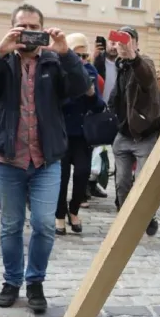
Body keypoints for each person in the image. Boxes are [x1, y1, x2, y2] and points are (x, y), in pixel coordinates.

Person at [0, 5, 88, 313]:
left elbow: (81, 88)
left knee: (44, 224)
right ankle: (11, 281)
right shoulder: (3, 60)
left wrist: (66, 53)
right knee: (11, 226)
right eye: (22, 26)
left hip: (46, 161)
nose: (28, 32)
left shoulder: (54, 60)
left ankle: (35, 281)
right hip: (9, 160)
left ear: (43, 30)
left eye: (34, 26)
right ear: (13, 28)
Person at [109, 26, 160, 236]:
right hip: (124, 135)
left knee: (143, 183)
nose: (122, 45)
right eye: (119, 41)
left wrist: (133, 57)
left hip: (144, 135)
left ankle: (148, 216)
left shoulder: (144, 61)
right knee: (122, 183)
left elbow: (147, 78)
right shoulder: (119, 65)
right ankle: (126, 222)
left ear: (136, 43)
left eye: (127, 40)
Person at [55, 33, 105, 236]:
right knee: (61, 176)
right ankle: (59, 215)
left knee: (83, 173)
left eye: (85, 56)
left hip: (83, 134)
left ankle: (74, 210)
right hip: (61, 132)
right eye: (78, 55)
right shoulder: (58, 70)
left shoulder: (90, 71)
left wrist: (91, 94)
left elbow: (99, 106)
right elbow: (54, 102)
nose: (82, 60)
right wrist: (75, 92)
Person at [93, 35, 119, 104]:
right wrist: (94, 59)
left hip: (113, 107)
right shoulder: (98, 62)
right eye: (112, 43)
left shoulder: (122, 65)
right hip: (98, 105)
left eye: (117, 44)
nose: (114, 47)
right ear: (106, 44)